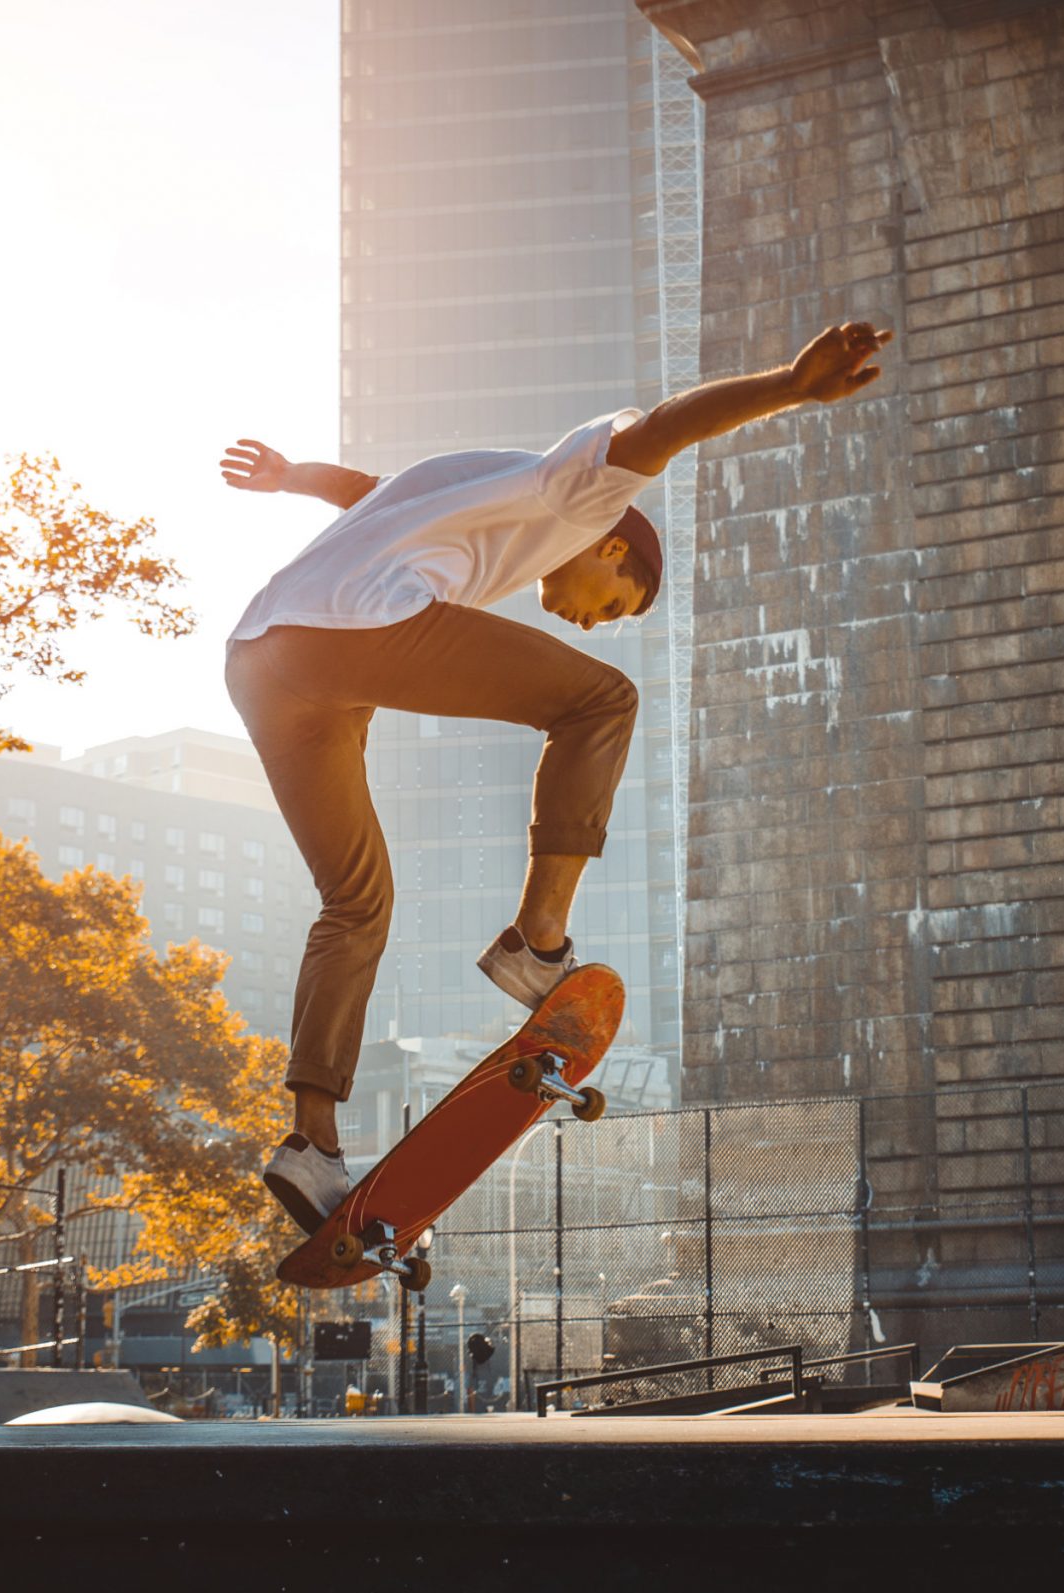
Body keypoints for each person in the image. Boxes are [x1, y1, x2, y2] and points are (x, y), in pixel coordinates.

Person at [219, 321, 894, 1236]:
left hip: (264, 661)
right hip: (355, 631)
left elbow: (366, 494)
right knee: (603, 702)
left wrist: (291, 475)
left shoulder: (470, 489)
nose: (592, 619)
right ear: (614, 548)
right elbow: (665, 427)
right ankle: (537, 946)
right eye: (612, 604)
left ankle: (313, 1143)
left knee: (355, 903)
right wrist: (791, 385)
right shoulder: (584, 494)